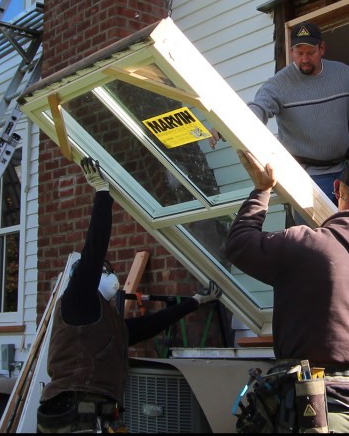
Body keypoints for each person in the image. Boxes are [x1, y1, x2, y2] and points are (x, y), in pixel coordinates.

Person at [225, 151, 349, 433]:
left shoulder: (304, 245)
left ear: (337, 190)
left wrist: (262, 189)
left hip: (307, 410)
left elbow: (239, 245)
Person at [36, 156, 222, 433]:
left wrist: (193, 302)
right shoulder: (77, 300)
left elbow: (145, 327)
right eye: (106, 270)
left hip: (94, 413)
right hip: (73, 413)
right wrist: (102, 194)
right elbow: (94, 249)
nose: (114, 277)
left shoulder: (102, 319)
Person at [209, 20, 349, 206]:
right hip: (307, 178)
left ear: (322, 49)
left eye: (310, 52)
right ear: (291, 52)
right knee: (319, 240)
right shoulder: (278, 85)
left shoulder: (343, 75)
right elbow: (258, 108)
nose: (304, 59)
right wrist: (229, 123)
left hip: (344, 172)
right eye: (299, 53)